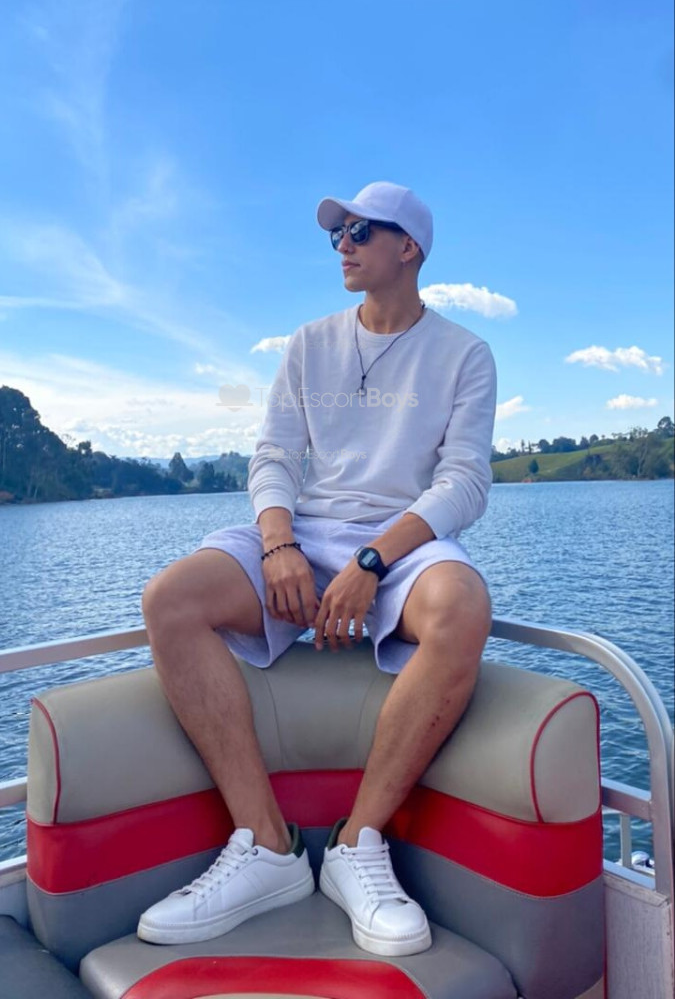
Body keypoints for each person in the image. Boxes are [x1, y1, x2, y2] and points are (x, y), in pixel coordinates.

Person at [137, 181, 497, 958]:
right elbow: (273, 455)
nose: (342, 245)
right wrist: (278, 544)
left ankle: (355, 844)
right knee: (171, 599)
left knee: (462, 606)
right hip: (302, 533)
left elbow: (463, 482)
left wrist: (372, 560)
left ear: (408, 247)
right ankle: (266, 848)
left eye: (360, 231)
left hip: (400, 544)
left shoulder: (464, 353)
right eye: (337, 234)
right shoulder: (308, 344)